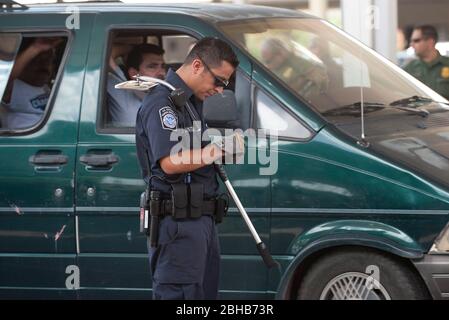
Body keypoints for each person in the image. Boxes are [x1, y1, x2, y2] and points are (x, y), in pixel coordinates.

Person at [135, 37, 240, 300]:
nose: (220, 89)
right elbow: (170, 162)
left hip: (199, 219)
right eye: (218, 81)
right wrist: (217, 150)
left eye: (226, 84)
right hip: (178, 223)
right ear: (196, 65)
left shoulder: (189, 103)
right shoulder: (162, 102)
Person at [1, 37, 60, 129]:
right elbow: (4, 78)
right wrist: (35, 48)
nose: (45, 64)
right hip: (27, 140)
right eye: (38, 59)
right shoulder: (14, 87)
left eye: (50, 60)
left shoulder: (45, 88)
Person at [107, 43, 166, 127]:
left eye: (163, 66)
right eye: (152, 67)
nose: (162, 73)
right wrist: (133, 47)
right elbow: (105, 55)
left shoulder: (170, 93)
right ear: (134, 73)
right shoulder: (123, 90)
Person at [260, 37, 328, 99]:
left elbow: (319, 82)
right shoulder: (273, 70)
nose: (267, 66)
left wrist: (302, 81)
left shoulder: (302, 63)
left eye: (268, 61)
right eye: (264, 62)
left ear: (281, 54)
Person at [403, 25, 449, 100]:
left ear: (430, 42)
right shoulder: (409, 69)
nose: (411, 44)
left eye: (416, 40)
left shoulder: (447, 64)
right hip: (419, 111)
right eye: (411, 41)